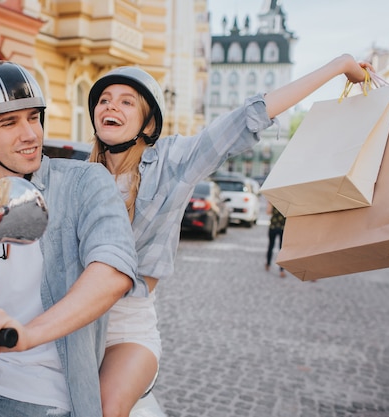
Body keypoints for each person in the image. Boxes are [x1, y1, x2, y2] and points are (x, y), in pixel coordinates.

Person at [88, 54, 372, 417]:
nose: (111, 106)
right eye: (104, 100)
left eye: (127, 101)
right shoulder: (80, 178)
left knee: (104, 407)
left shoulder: (174, 162)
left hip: (126, 330)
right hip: (74, 324)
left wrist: (338, 66)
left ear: (148, 122)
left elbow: (245, 120)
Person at [0, 60, 144, 417]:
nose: (30, 134)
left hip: (48, 391)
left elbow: (113, 270)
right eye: (9, 123)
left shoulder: (85, 182)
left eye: (33, 118)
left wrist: (27, 334)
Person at [265, 201, 286, 277]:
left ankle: (268, 264)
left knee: (271, 246)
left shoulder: (273, 200)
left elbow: (268, 212)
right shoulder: (287, 202)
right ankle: (281, 270)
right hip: (283, 227)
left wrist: (270, 204)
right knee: (282, 249)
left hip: (273, 226)